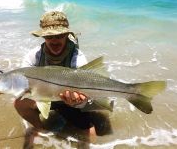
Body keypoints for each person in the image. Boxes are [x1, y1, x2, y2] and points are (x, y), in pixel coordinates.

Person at [14, 11, 110, 145]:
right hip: (44, 96)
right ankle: (39, 127)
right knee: (19, 102)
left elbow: (85, 96)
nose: (54, 40)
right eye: (49, 36)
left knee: (89, 133)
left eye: (60, 35)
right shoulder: (33, 56)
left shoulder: (78, 58)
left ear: (66, 35)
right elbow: (21, 83)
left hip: (71, 100)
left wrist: (78, 102)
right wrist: (0, 87)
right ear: (43, 37)